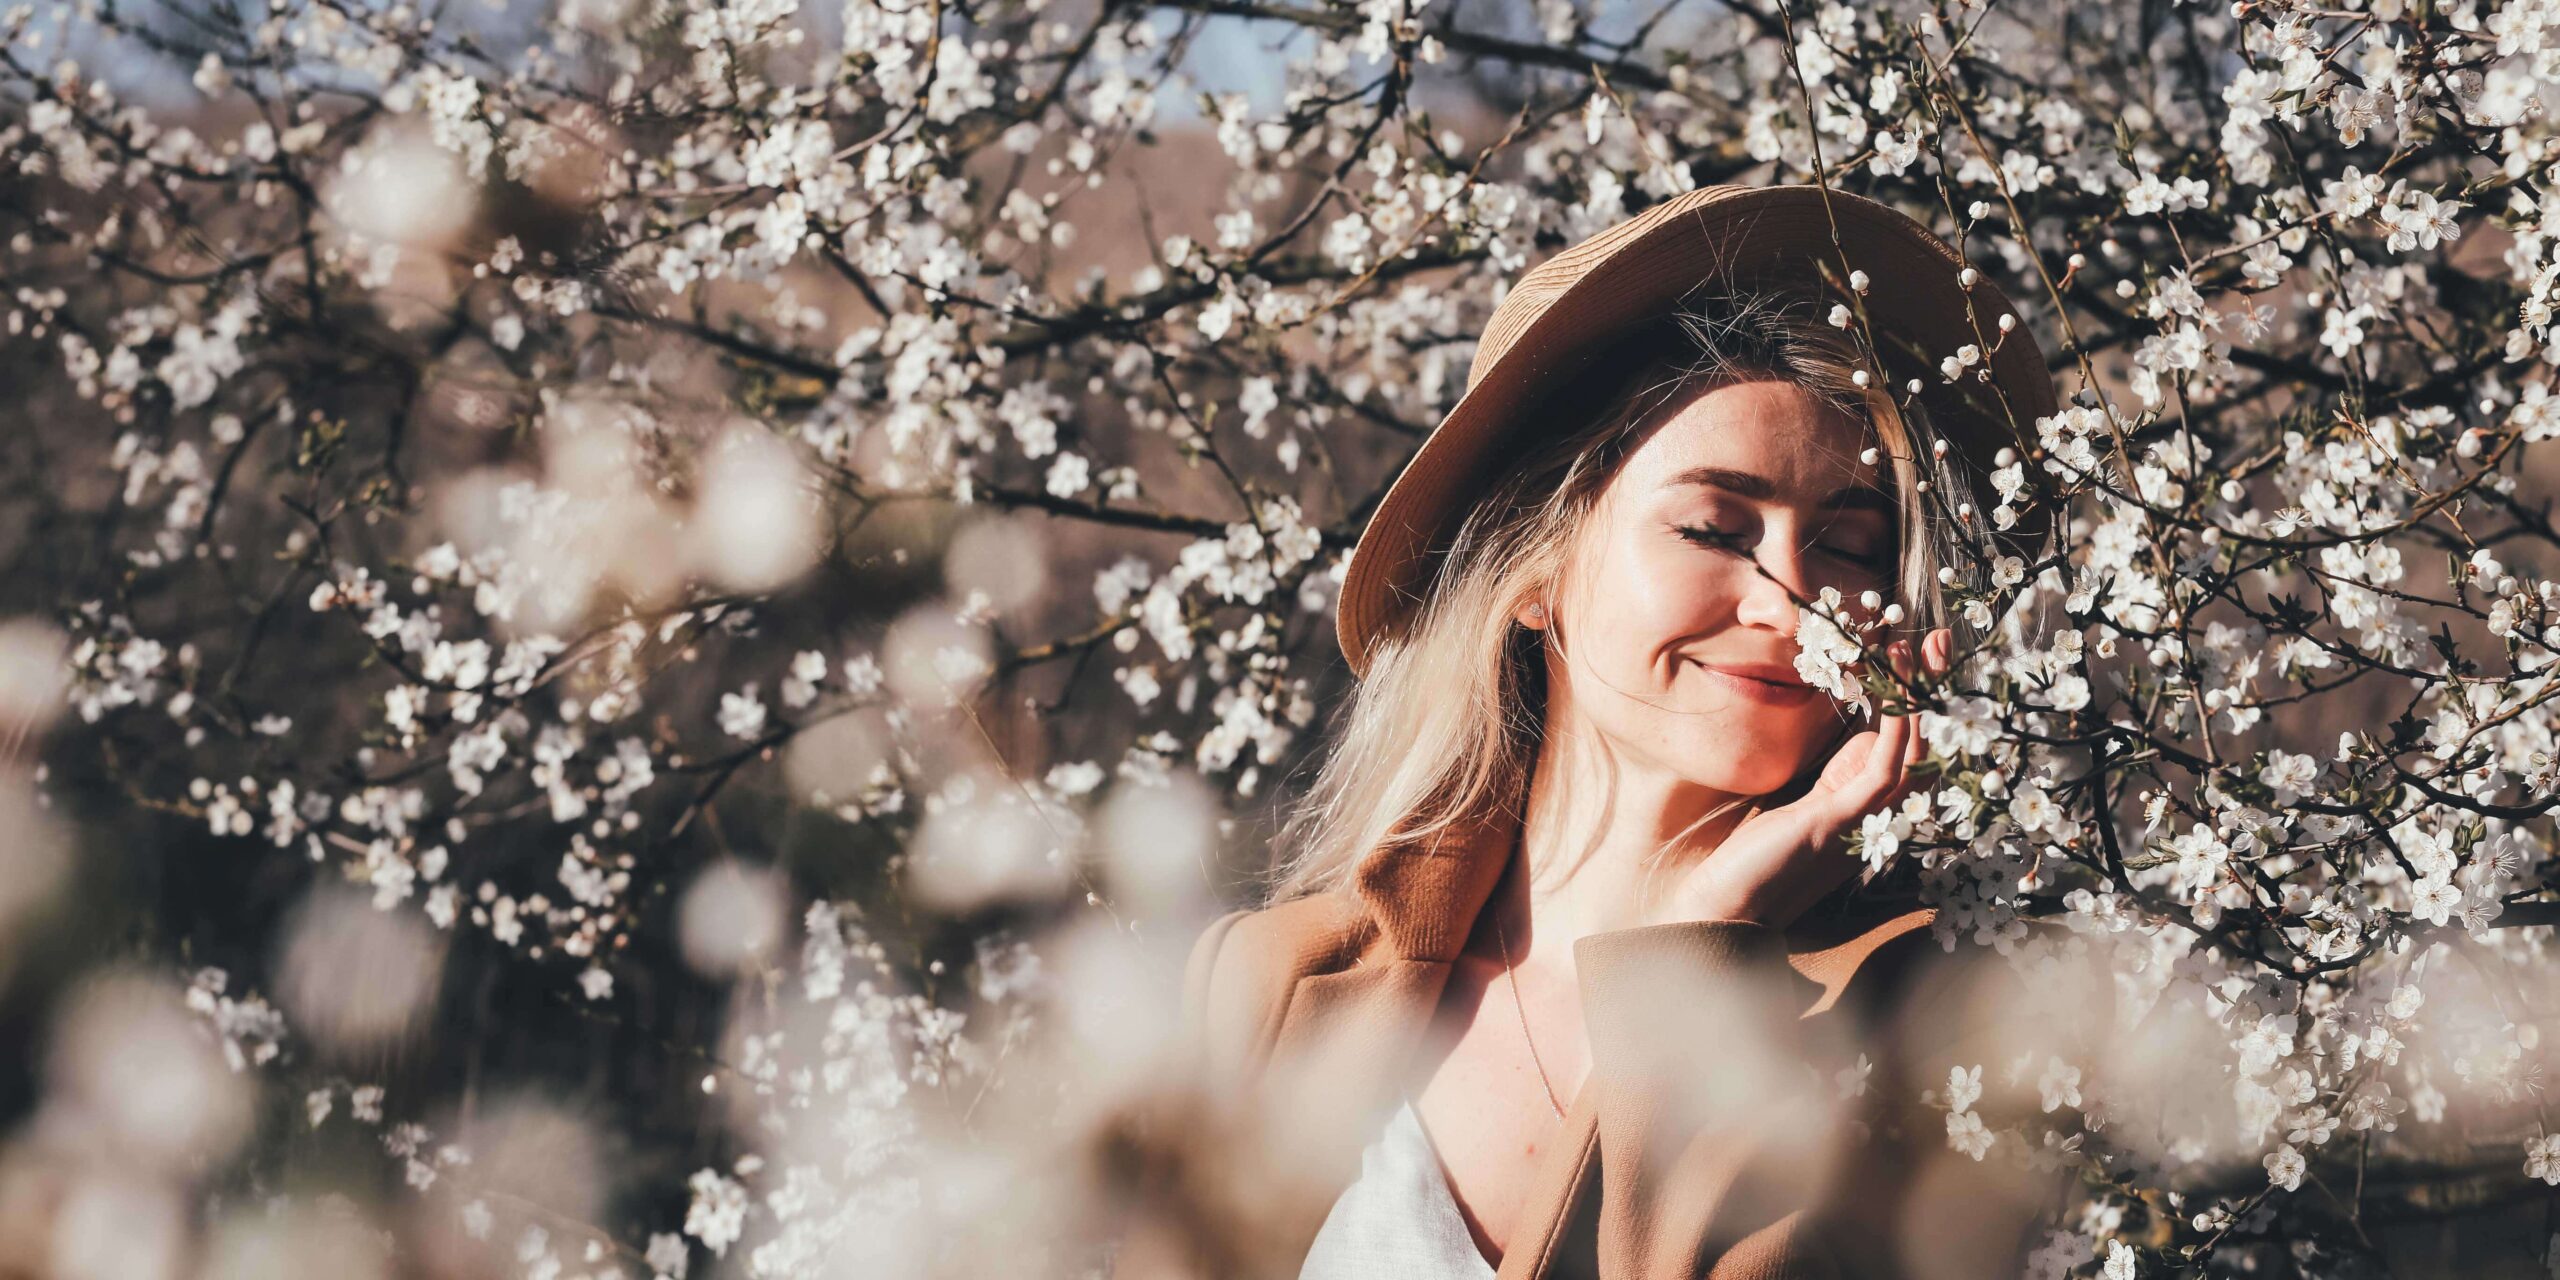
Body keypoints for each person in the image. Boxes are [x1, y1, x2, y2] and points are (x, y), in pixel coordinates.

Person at [1105, 183, 2107, 1280]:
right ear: (1536, 569)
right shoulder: (1269, 983)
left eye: (1851, 546)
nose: (1793, 606)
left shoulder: (1952, 1021)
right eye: (1712, 528)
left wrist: (1702, 950)